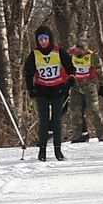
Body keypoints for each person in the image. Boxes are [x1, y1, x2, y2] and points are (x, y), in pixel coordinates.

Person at [22, 25, 75, 161]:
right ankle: (42, 151)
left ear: (50, 39)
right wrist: (30, 89)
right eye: (40, 39)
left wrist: (71, 78)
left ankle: (58, 150)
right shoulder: (34, 54)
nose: (43, 42)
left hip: (58, 89)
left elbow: (70, 67)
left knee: (56, 121)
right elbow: (28, 73)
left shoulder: (58, 52)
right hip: (42, 90)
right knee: (44, 121)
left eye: (45, 39)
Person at [66, 38, 103, 144]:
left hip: (89, 85)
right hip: (76, 86)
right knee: (74, 110)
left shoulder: (92, 56)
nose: (79, 51)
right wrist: (68, 80)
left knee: (94, 110)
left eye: (82, 49)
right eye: (78, 48)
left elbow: (100, 70)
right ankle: (78, 135)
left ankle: (101, 135)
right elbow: (66, 68)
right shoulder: (71, 55)